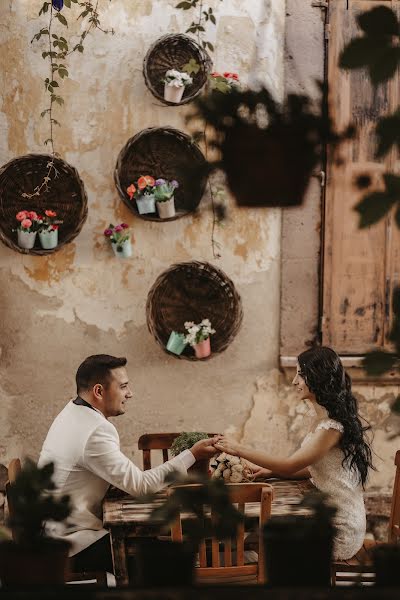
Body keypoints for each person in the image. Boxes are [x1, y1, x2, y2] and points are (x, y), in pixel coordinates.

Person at [38, 354, 220, 573]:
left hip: (49, 533)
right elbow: (141, 486)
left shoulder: (71, 413)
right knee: (176, 561)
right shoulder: (96, 430)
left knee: (172, 544)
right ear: (98, 391)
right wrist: (192, 454)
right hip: (74, 545)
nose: (129, 394)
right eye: (123, 386)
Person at [215, 346, 374, 560]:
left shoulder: (331, 429)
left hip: (338, 529)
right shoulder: (322, 419)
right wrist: (268, 471)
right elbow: (312, 468)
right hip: (322, 516)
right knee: (256, 536)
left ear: (318, 376)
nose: (294, 381)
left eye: (301, 374)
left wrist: (237, 447)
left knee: (259, 538)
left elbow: (290, 465)